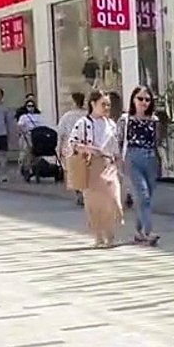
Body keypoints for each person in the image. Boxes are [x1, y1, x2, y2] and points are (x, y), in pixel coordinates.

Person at [68, 91, 124, 248]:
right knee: (94, 203)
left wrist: (118, 160)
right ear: (93, 104)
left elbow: (116, 145)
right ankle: (100, 236)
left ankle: (110, 234)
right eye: (103, 104)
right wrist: (89, 149)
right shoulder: (83, 123)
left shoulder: (111, 124)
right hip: (91, 164)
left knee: (113, 200)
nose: (106, 108)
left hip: (109, 164)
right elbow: (72, 143)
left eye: (108, 105)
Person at [118, 85, 164, 245]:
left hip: (150, 157)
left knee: (147, 197)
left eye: (147, 99)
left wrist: (159, 162)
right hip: (133, 157)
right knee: (143, 195)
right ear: (133, 100)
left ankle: (138, 230)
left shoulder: (154, 120)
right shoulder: (126, 119)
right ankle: (148, 231)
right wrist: (119, 161)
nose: (144, 102)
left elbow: (157, 142)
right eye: (140, 99)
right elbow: (118, 140)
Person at [57, 92, 87, 205]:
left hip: (72, 146)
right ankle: (85, 193)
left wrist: (59, 149)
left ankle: (79, 193)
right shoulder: (88, 115)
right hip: (86, 146)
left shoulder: (67, 116)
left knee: (73, 171)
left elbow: (61, 134)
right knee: (86, 171)